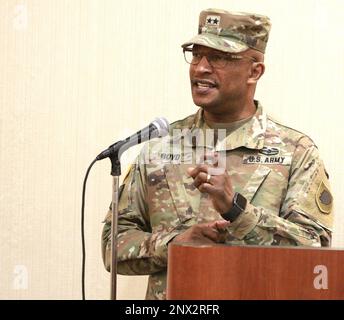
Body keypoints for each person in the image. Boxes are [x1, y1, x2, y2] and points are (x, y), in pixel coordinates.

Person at [101, 8, 333, 300]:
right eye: (196, 54)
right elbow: (113, 245)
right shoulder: (161, 146)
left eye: (220, 57)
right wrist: (174, 245)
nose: (200, 68)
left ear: (255, 71)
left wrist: (236, 209)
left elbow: (316, 256)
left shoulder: (296, 152)